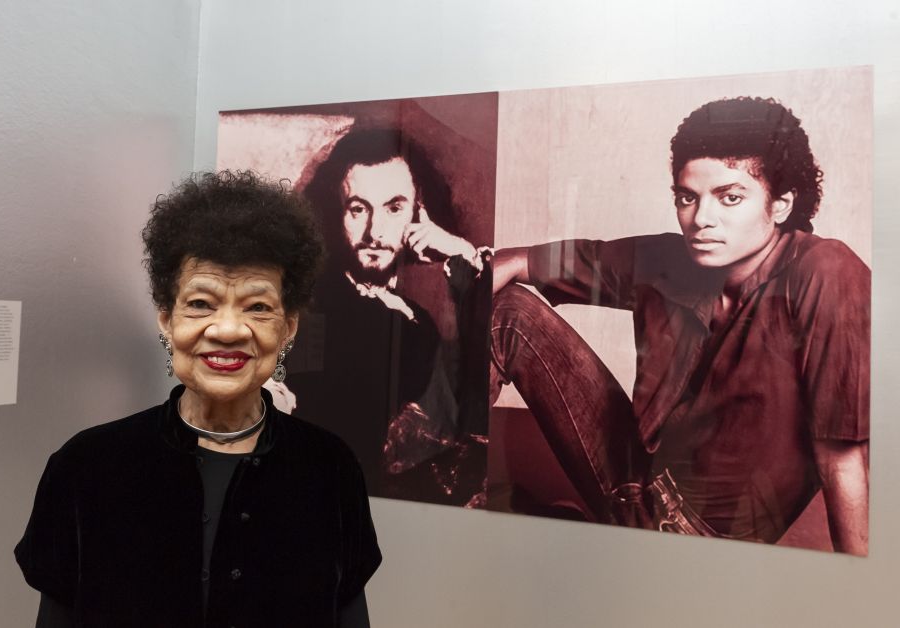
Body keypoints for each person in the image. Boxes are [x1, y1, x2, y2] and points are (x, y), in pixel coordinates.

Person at [491, 97, 870, 554]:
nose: (702, 219)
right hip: (634, 482)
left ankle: (557, 524)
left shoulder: (827, 273)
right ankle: (449, 469)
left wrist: (858, 588)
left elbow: (843, 459)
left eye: (730, 197)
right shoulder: (672, 259)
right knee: (504, 311)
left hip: (697, 540)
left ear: (782, 204)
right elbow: (522, 261)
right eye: (687, 198)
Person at [15, 171, 382, 626]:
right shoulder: (85, 467)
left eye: (258, 307)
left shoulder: (330, 469)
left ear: (288, 328)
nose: (227, 330)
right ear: (166, 320)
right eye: (201, 304)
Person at [290, 126, 492, 506]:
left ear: (419, 214)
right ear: (336, 215)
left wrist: (460, 261)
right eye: (358, 209)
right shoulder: (319, 307)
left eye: (394, 208)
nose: (375, 231)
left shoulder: (415, 316)